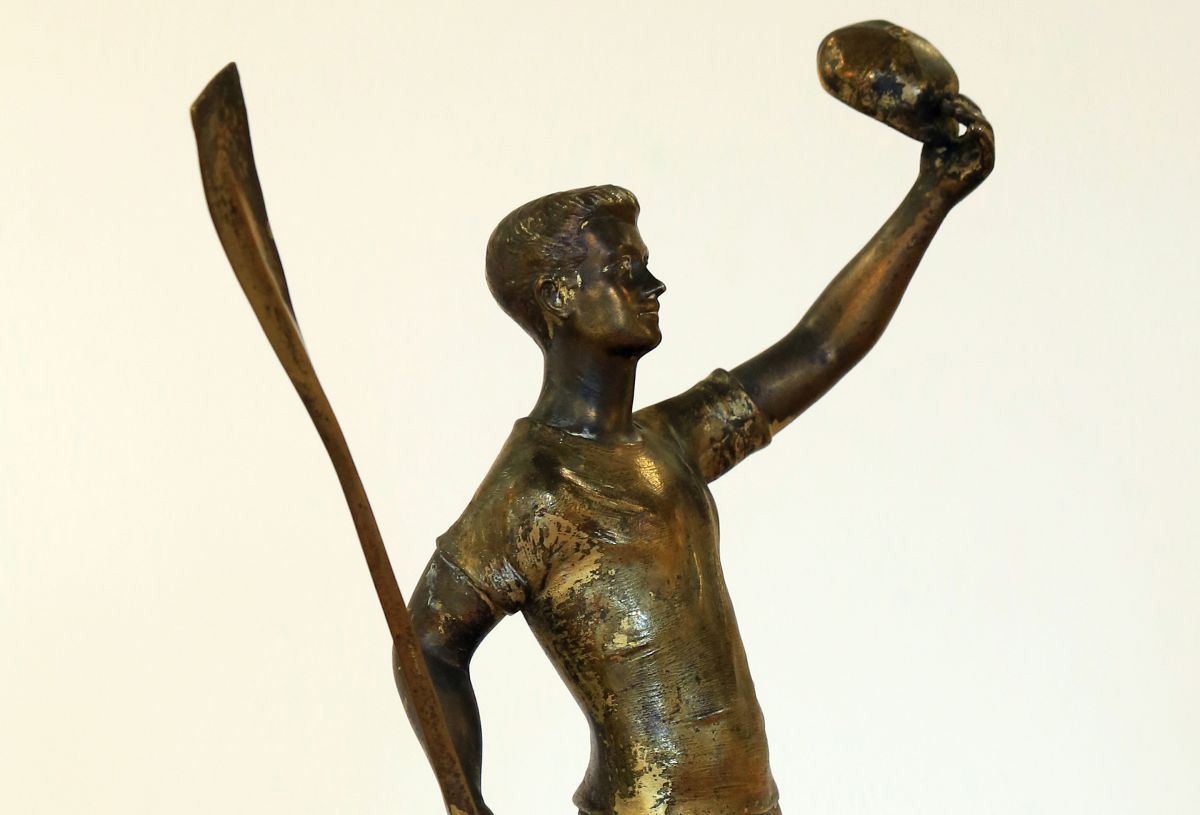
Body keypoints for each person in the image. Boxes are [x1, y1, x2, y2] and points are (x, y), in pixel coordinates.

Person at [396, 97, 994, 815]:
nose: (652, 286)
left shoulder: (669, 440)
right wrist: (467, 802)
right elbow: (429, 643)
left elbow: (820, 348)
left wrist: (933, 194)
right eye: (624, 270)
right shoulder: (538, 485)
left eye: (645, 267)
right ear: (559, 295)